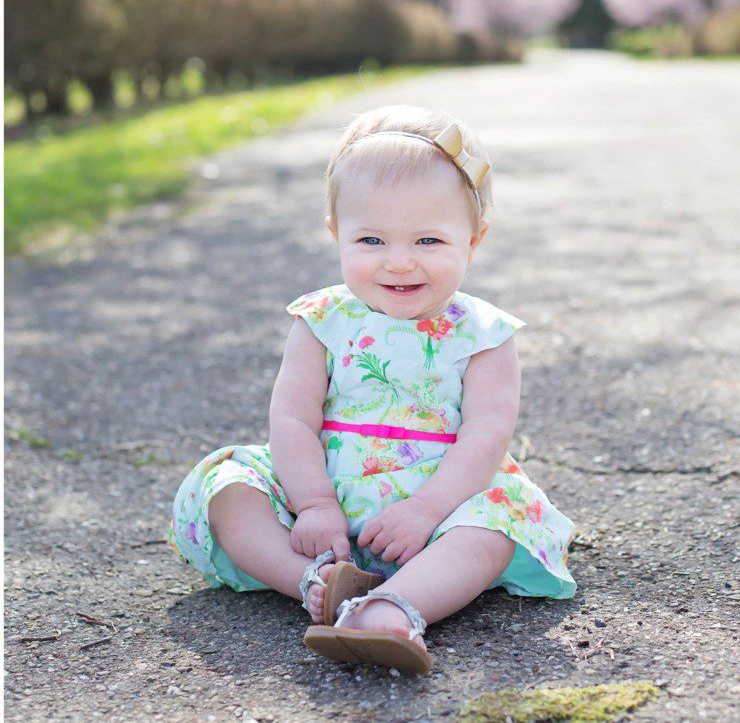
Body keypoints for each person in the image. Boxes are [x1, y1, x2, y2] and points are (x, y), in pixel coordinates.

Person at [169, 105, 576, 674]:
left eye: (429, 239)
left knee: (498, 523)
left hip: (436, 511)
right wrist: (312, 504)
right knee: (228, 487)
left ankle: (393, 608)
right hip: (319, 507)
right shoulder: (321, 319)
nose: (400, 261)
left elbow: (487, 432)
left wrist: (426, 508)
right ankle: (316, 584)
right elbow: (292, 419)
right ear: (337, 234)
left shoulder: (482, 334)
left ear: (474, 240)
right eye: (372, 239)